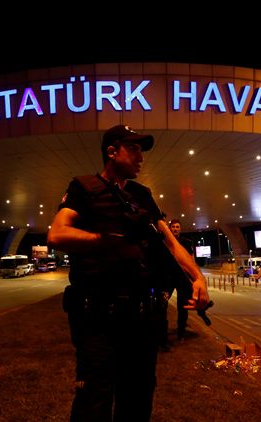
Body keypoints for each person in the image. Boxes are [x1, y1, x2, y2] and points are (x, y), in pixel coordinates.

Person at [48, 124, 210, 421]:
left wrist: (198, 278)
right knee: (93, 403)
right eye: (133, 149)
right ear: (112, 151)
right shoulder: (84, 188)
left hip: (141, 320)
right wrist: (107, 240)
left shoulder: (142, 195)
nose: (141, 157)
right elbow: (57, 235)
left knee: (137, 401)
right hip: (98, 320)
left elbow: (170, 243)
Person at [167, 219, 195, 340]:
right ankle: (162, 335)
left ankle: (181, 333)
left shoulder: (186, 243)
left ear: (180, 229)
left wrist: (193, 277)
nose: (175, 229)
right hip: (168, 277)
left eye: (177, 227)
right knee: (162, 304)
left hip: (182, 278)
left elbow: (191, 260)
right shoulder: (165, 242)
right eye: (173, 227)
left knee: (182, 307)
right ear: (170, 228)